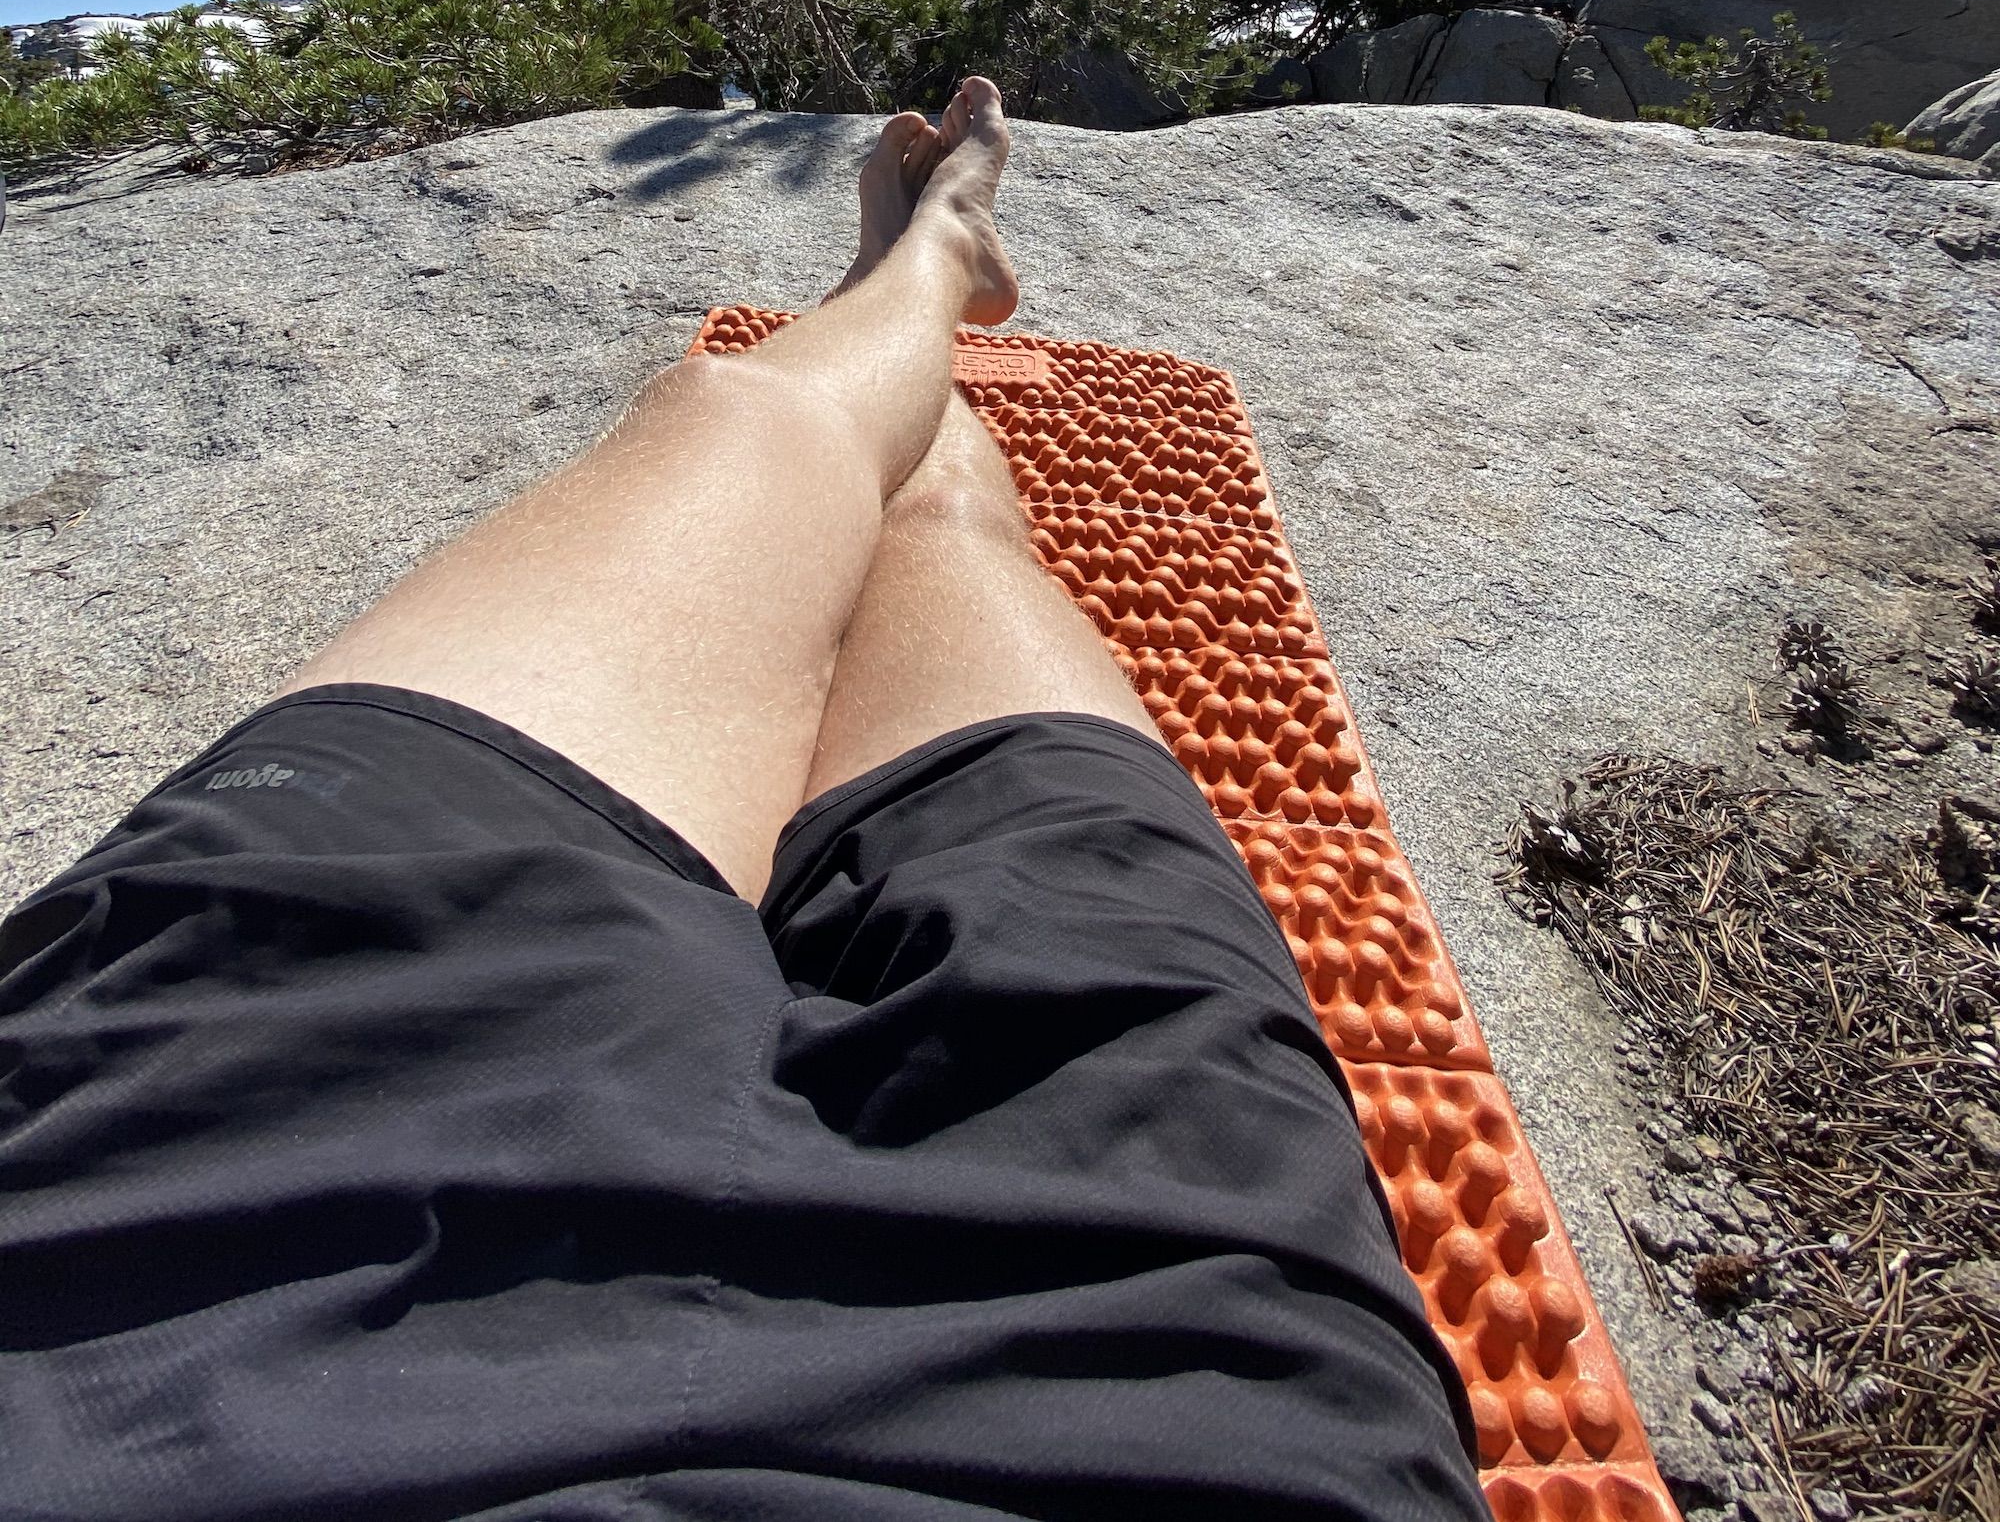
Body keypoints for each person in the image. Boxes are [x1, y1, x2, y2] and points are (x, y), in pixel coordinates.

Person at [0, 78, 1486, 1522]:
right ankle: (924, 280)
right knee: (940, 525)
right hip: (1159, 1350)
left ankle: (902, 290)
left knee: (740, 418)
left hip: (197, 1207)